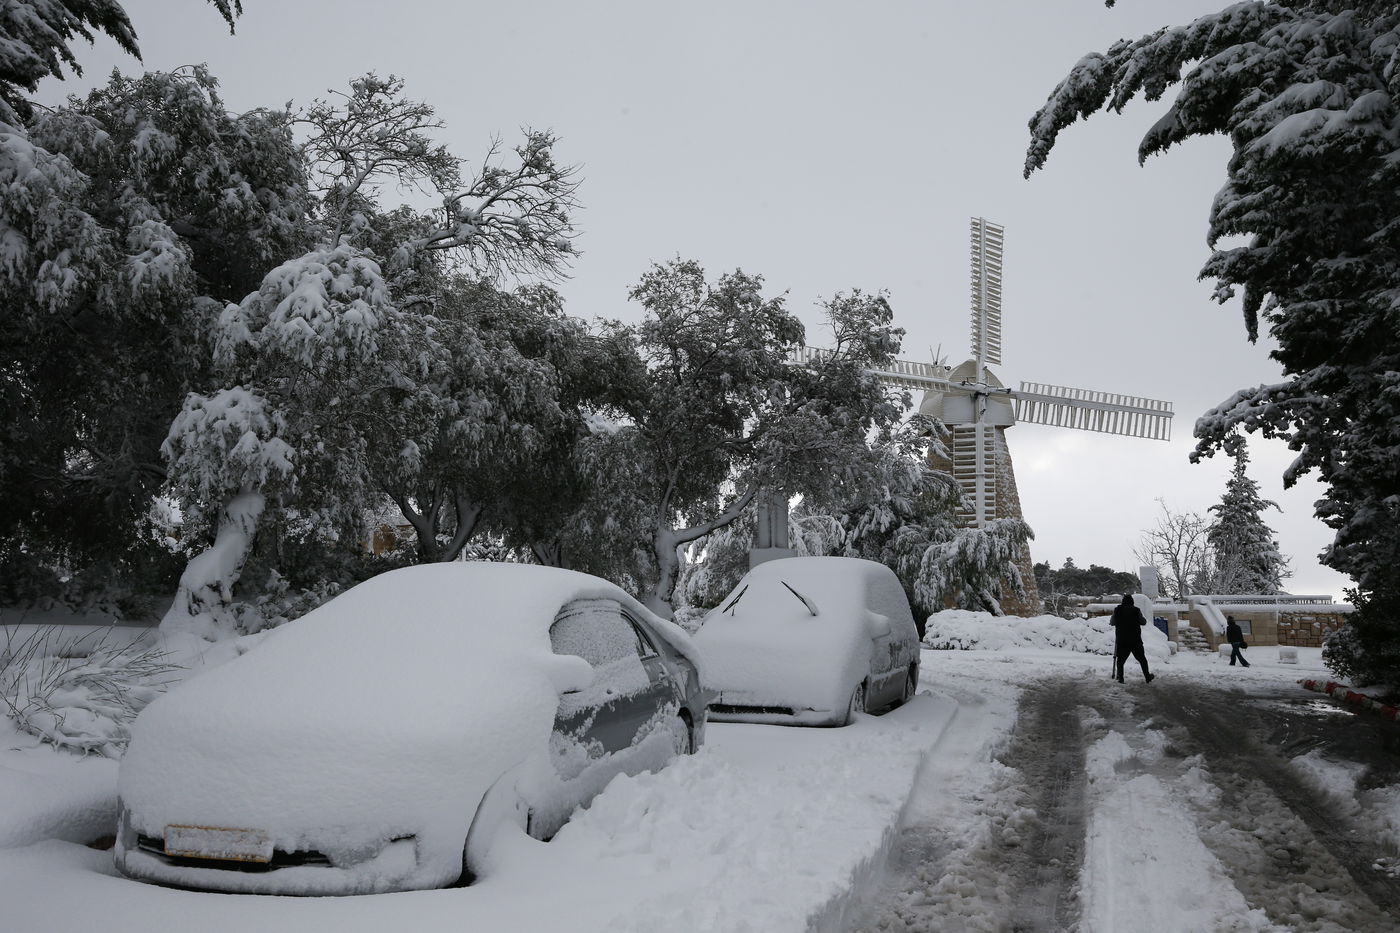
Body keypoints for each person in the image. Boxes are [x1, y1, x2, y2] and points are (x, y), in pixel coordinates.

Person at [1110, 593, 1155, 684]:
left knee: (1120, 661)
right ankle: (1147, 677)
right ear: (1132, 602)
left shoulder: (1117, 610)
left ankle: (1121, 678)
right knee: (1142, 659)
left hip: (1122, 640)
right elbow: (1143, 622)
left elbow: (1112, 622)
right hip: (1135, 641)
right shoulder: (1136, 610)